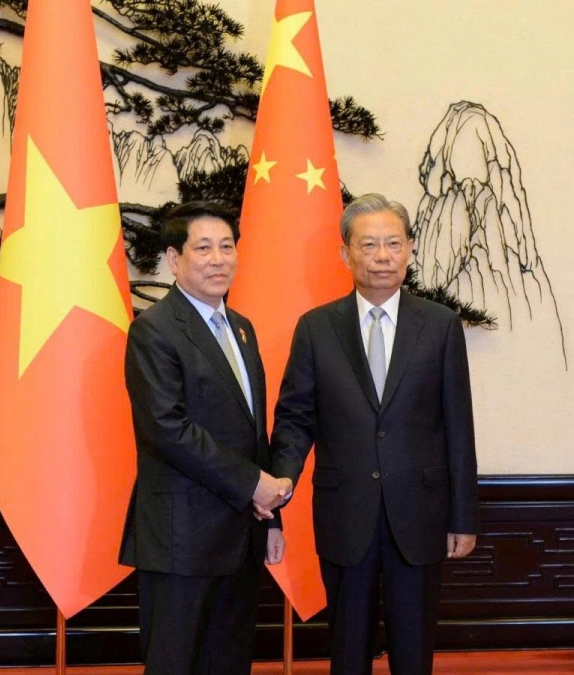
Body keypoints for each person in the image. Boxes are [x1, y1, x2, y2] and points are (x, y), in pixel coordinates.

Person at [270, 193, 479, 675]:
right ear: (345, 253)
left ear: (409, 249)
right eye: (368, 245)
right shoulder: (316, 328)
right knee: (348, 650)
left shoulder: (441, 326)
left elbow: (458, 423)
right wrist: (280, 482)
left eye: (392, 243)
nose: (382, 256)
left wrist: (463, 516)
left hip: (421, 515)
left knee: (414, 652)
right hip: (346, 514)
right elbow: (296, 418)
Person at [118, 201, 291, 675]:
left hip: (240, 536)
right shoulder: (153, 331)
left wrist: (270, 516)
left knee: (229, 663)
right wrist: (252, 483)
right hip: (181, 540)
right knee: (176, 664)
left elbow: (255, 431)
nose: (218, 259)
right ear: (174, 259)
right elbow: (167, 429)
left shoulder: (242, 329)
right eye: (204, 248)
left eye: (227, 247)